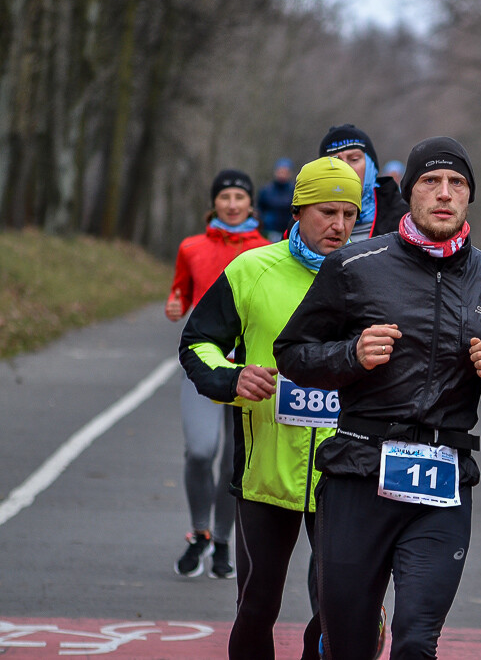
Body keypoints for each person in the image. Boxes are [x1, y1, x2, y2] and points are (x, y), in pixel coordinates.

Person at [273, 136, 481, 660]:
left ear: (469, 197)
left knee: (416, 642)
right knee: (348, 643)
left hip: (441, 480)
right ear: (409, 192)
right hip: (357, 475)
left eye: (456, 183)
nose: (444, 193)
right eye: (430, 182)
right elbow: (293, 353)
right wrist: (351, 355)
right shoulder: (354, 266)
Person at [179, 157, 362, 659]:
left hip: (346, 471)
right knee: (257, 604)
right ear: (299, 210)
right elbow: (197, 343)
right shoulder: (251, 269)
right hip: (265, 470)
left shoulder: (372, 275)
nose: (339, 225)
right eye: (327, 211)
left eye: (350, 213)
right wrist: (233, 378)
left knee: (337, 607)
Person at [165, 169, 269, 579]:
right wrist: (176, 304)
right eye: (224, 197)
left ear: (250, 204)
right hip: (206, 362)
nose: (231, 204)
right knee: (200, 450)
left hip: (252, 364)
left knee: (234, 460)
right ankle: (199, 532)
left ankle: (224, 539)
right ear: (214, 203)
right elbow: (182, 294)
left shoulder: (268, 249)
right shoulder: (190, 247)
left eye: (238, 197)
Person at [317, 124, 408, 242]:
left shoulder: (405, 220)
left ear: (371, 166)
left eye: (354, 159)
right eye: (335, 162)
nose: (345, 168)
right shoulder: (304, 222)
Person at [257, 157, 296, 242]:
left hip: (288, 231)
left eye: (285, 172)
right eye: (280, 171)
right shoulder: (266, 190)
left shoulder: (294, 191)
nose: (282, 174)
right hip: (269, 231)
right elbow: (260, 209)